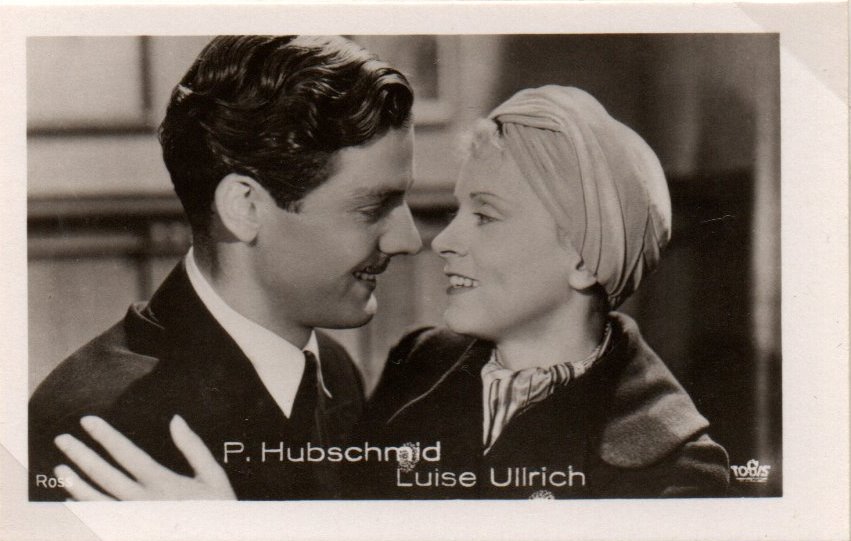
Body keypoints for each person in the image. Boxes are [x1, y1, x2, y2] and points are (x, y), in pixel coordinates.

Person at [51, 85, 729, 500]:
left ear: (582, 257)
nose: (441, 240)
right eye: (457, 209)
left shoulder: (678, 469)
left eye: (486, 216)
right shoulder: (419, 363)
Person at [28, 35, 422, 501]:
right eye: (373, 207)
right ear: (245, 207)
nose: (410, 240)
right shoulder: (99, 424)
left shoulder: (334, 371)